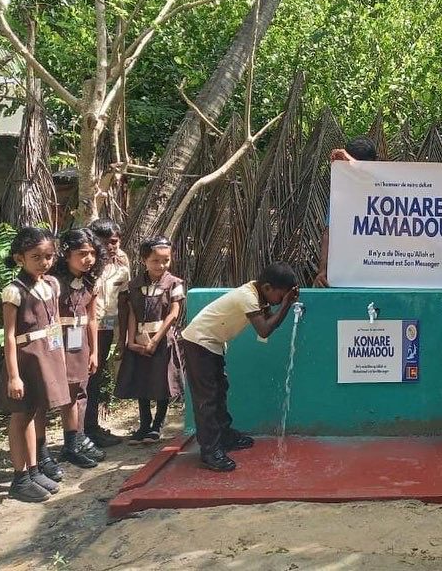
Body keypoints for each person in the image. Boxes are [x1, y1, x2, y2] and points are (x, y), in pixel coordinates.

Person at [180, 262, 300, 471]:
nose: (280, 300)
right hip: (199, 342)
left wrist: (285, 303)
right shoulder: (248, 296)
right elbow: (264, 329)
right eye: (280, 295)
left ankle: (224, 436)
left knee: (219, 391)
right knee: (207, 399)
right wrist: (286, 305)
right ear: (267, 287)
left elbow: (271, 321)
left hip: (212, 343)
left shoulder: (259, 295)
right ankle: (210, 451)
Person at [0, 227, 69, 502]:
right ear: (20, 258)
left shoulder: (51, 285)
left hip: (46, 357)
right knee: (21, 416)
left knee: (36, 412)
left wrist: (60, 358)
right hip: (25, 360)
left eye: (48, 256)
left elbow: (54, 323)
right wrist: (14, 376)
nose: (44, 262)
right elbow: (9, 337)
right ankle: (20, 478)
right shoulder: (14, 291)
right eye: (36, 257)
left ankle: (34, 469)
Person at [115, 236, 185, 443]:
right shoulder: (133, 285)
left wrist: (156, 340)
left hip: (163, 339)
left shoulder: (174, 284)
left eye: (166, 260)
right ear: (144, 260)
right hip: (139, 339)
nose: (161, 265)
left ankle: (157, 425)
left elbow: (173, 313)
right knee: (141, 381)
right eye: (155, 261)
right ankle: (144, 424)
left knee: (162, 381)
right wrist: (130, 342)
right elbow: (131, 313)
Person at [49, 228, 106, 469]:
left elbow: (92, 319)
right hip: (58, 343)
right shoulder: (53, 283)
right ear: (66, 254)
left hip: (80, 342)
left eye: (92, 253)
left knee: (79, 392)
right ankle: (47, 451)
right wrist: (55, 353)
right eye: (82, 253)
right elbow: (50, 320)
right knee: (59, 396)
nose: (88, 259)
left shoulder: (90, 281)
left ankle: (75, 441)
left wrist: (94, 351)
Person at [84, 218, 130, 448]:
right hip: (81, 330)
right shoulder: (86, 263)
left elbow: (123, 301)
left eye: (114, 241)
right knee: (82, 381)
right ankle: (81, 432)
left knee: (96, 378)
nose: (110, 247)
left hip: (105, 330)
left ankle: (91, 428)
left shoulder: (121, 264)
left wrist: (123, 337)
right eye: (104, 242)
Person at [313, 136, 378, 287]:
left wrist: (349, 160)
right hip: (349, 272)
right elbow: (329, 233)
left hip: (382, 268)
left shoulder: (389, 184)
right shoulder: (341, 194)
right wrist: (323, 271)